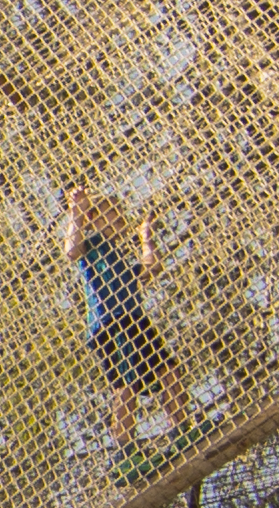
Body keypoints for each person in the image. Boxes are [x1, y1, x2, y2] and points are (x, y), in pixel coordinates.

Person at [66, 182, 188, 466]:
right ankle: (124, 452)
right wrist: (77, 212)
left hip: (135, 320)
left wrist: (146, 238)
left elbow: (151, 268)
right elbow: (71, 249)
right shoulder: (93, 247)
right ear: (94, 218)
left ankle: (181, 429)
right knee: (126, 385)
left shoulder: (119, 256)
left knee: (168, 370)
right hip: (112, 323)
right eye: (113, 212)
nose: (121, 218)